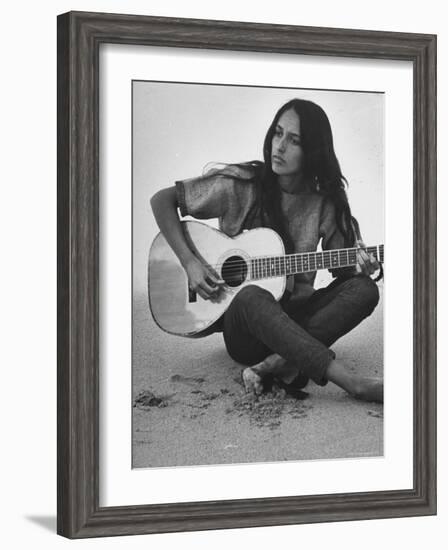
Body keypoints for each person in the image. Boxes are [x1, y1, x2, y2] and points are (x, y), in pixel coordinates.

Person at [150, 98, 383, 403]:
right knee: (251, 295)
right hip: (246, 332)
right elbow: (162, 200)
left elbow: (344, 272)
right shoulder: (242, 184)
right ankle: (353, 383)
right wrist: (190, 262)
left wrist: (361, 266)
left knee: (364, 290)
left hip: (297, 320)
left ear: (313, 150)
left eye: (294, 140)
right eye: (278, 133)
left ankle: (272, 365)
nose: (280, 146)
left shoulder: (325, 202)